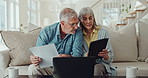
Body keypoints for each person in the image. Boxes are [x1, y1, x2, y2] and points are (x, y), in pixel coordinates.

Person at [28, 8, 84, 75]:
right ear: (62, 23)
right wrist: (35, 59)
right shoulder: (47, 31)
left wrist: (68, 57)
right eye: (72, 24)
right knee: (33, 68)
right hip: (50, 68)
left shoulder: (78, 32)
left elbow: (78, 55)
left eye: (77, 23)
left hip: (69, 67)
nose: (76, 27)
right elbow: (38, 54)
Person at [79, 7, 116, 76]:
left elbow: (111, 57)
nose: (88, 21)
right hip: (85, 64)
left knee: (97, 68)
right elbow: (77, 55)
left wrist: (106, 56)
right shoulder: (78, 35)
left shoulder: (103, 32)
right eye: (85, 19)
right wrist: (85, 55)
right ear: (80, 20)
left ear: (93, 18)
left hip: (101, 64)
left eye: (90, 18)